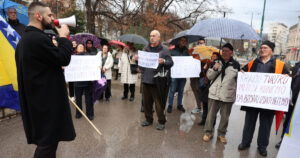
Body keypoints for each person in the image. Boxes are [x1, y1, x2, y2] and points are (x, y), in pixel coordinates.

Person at [15, 2, 75, 158]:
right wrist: (63, 38)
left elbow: (47, 64)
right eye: (49, 15)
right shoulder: (36, 39)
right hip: (45, 102)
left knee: (48, 143)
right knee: (47, 145)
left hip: (39, 100)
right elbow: (63, 58)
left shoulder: (27, 39)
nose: (53, 18)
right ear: (38, 16)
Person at [238, 41, 289, 157]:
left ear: (271, 50)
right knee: (249, 123)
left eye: (265, 48)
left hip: (268, 102)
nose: (262, 50)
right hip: (252, 100)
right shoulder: (252, 63)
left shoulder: (280, 65)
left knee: (265, 125)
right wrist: (241, 73)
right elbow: (243, 73)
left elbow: (286, 78)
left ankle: (262, 147)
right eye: (261, 48)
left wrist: (286, 77)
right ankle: (245, 142)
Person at [203, 43, 240, 144]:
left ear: (231, 52)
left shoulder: (236, 64)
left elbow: (239, 79)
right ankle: (208, 132)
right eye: (223, 50)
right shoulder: (216, 61)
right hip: (214, 93)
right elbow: (209, 77)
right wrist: (214, 68)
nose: (224, 52)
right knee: (210, 115)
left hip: (228, 94)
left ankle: (221, 134)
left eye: (227, 51)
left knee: (225, 116)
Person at [139, 30, 173, 130]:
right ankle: (148, 119)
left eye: (154, 36)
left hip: (158, 81)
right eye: (150, 36)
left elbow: (171, 63)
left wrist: (164, 61)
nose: (151, 37)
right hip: (146, 80)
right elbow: (141, 64)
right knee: (146, 103)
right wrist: (137, 59)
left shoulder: (165, 50)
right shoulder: (146, 48)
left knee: (159, 103)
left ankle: (161, 121)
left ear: (159, 37)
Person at [275, 62, 300, 149]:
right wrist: (287, 78)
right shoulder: (297, 65)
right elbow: (291, 79)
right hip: (292, 101)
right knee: (288, 122)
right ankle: (283, 140)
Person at [73, 43, 96, 121]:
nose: (80, 47)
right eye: (79, 46)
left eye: (82, 46)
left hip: (87, 81)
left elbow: (93, 65)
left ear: (84, 48)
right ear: (76, 49)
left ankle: (90, 114)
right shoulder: (73, 57)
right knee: (78, 99)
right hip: (77, 82)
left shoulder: (88, 56)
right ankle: (78, 113)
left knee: (88, 99)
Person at [167, 37, 189, 113]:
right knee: (172, 90)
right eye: (182, 40)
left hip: (183, 74)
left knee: (181, 90)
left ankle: (179, 104)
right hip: (174, 74)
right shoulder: (172, 50)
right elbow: (169, 61)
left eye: (185, 41)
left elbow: (189, 62)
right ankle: (170, 105)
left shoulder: (187, 51)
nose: (183, 42)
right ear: (179, 41)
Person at [198, 52, 220, 126]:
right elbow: (201, 75)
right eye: (212, 56)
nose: (213, 57)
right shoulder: (208, 63)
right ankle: (203, 120)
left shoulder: (218, 65)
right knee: (205, 105)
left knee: (212, 107)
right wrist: (204, 69)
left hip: (212, 87)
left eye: (215, 56)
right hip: (205, 87)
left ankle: (212, 122)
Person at [190, 38, 206, 114]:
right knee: (195, 91)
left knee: (201, 91)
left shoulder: (207, 53)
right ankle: (198, 107)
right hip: (193, 75)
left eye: (202, 43)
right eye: (200, 43)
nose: (201, 44)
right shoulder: (193, 52)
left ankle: (203, 108)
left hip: (202, 76)